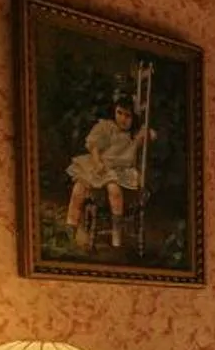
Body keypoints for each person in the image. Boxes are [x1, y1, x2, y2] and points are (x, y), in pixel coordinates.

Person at [63, 97, 152, 249]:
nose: (122, 119)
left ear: (134, 118)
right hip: (100, 166)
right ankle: (70, 229)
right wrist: (97, 162)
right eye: (119, 113)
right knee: (79, 188)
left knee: (114, 189)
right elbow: (94, 146)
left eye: (127, 115)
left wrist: (146, 133)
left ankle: (116, 229)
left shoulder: (134, 135)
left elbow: (150, 134)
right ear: (114, 112)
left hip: (120, 171)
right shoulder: (107, 126)